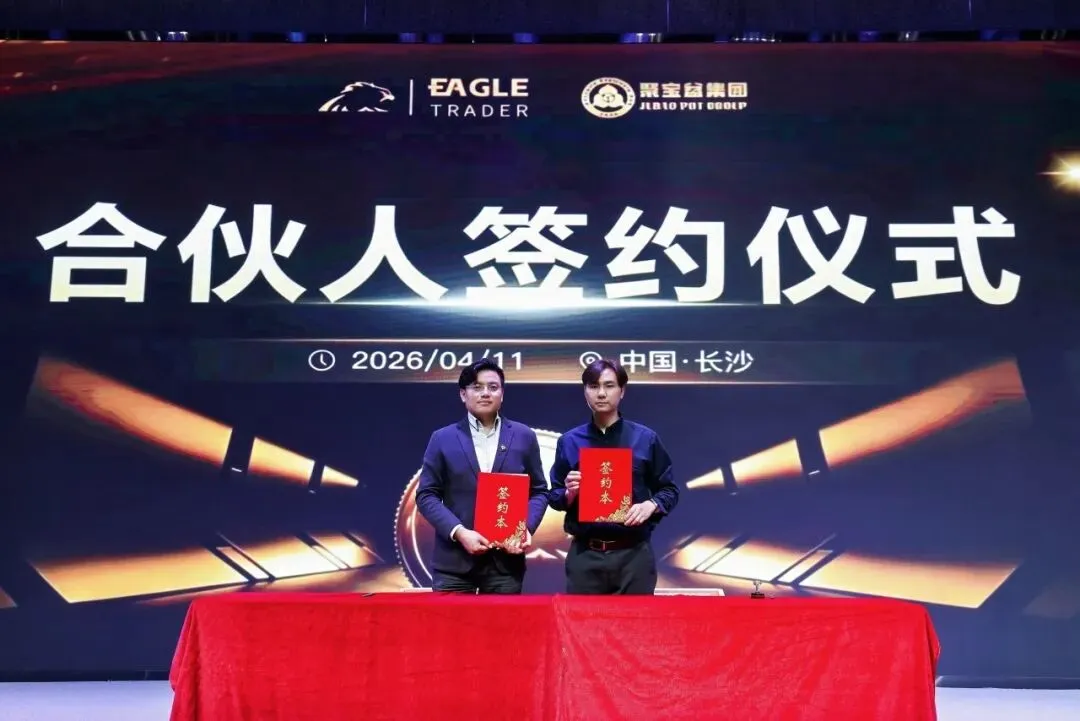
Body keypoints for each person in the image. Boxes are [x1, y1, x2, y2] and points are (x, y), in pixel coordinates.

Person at [415, 357, 549, 594]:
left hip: (505, 565)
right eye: (477, 387)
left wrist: (525, 529)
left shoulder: (523, 436)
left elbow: (539, 491)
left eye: (493, 387)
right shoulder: (442, 438)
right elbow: (426, 495)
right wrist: (459, 532)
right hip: (453, 565)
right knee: (450, 621)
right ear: (463, 394)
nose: (485, 393)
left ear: (502, 394)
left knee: (503, 620)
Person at [548, 358, 679, 594]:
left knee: (635, 619)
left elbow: (669, 490)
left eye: (609, 386)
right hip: (585, 556)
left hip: (634, 556)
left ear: (622, 391)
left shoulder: (645, 439)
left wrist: (651, 505)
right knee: (581, 619)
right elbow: (555, 496)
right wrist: (570, 493)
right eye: (593, 386)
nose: (601, 393)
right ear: (585, 391)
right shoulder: (569, 441)